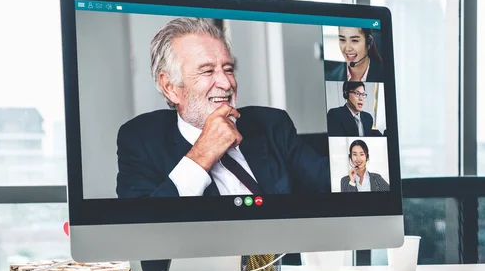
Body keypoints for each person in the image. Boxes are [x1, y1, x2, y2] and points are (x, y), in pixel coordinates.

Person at [116, 18, 329, 198]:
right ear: (170, 87)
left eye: (228, 69)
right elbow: (143, 231)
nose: (227, 84)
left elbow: (331, 182)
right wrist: (203, 153)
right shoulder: (141, 142)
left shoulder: (271, 124)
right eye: (207, 71)